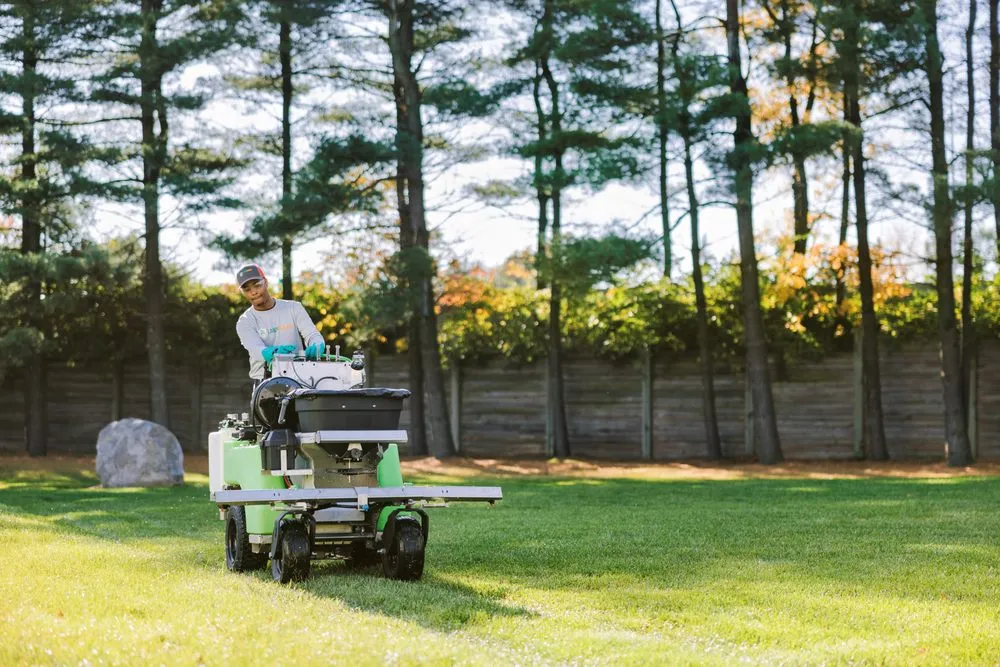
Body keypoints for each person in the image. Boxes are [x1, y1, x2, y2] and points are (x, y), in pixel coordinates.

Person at [234, 263, 325, 381]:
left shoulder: (294, 308)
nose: (253, 292)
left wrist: (317, 344)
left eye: (257, 285)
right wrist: (272, 353)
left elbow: (312, 334)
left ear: (266, 282)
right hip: (264, 380)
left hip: (298, 376)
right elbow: (256, 349)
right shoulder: (245, 322)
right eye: (247, 289)